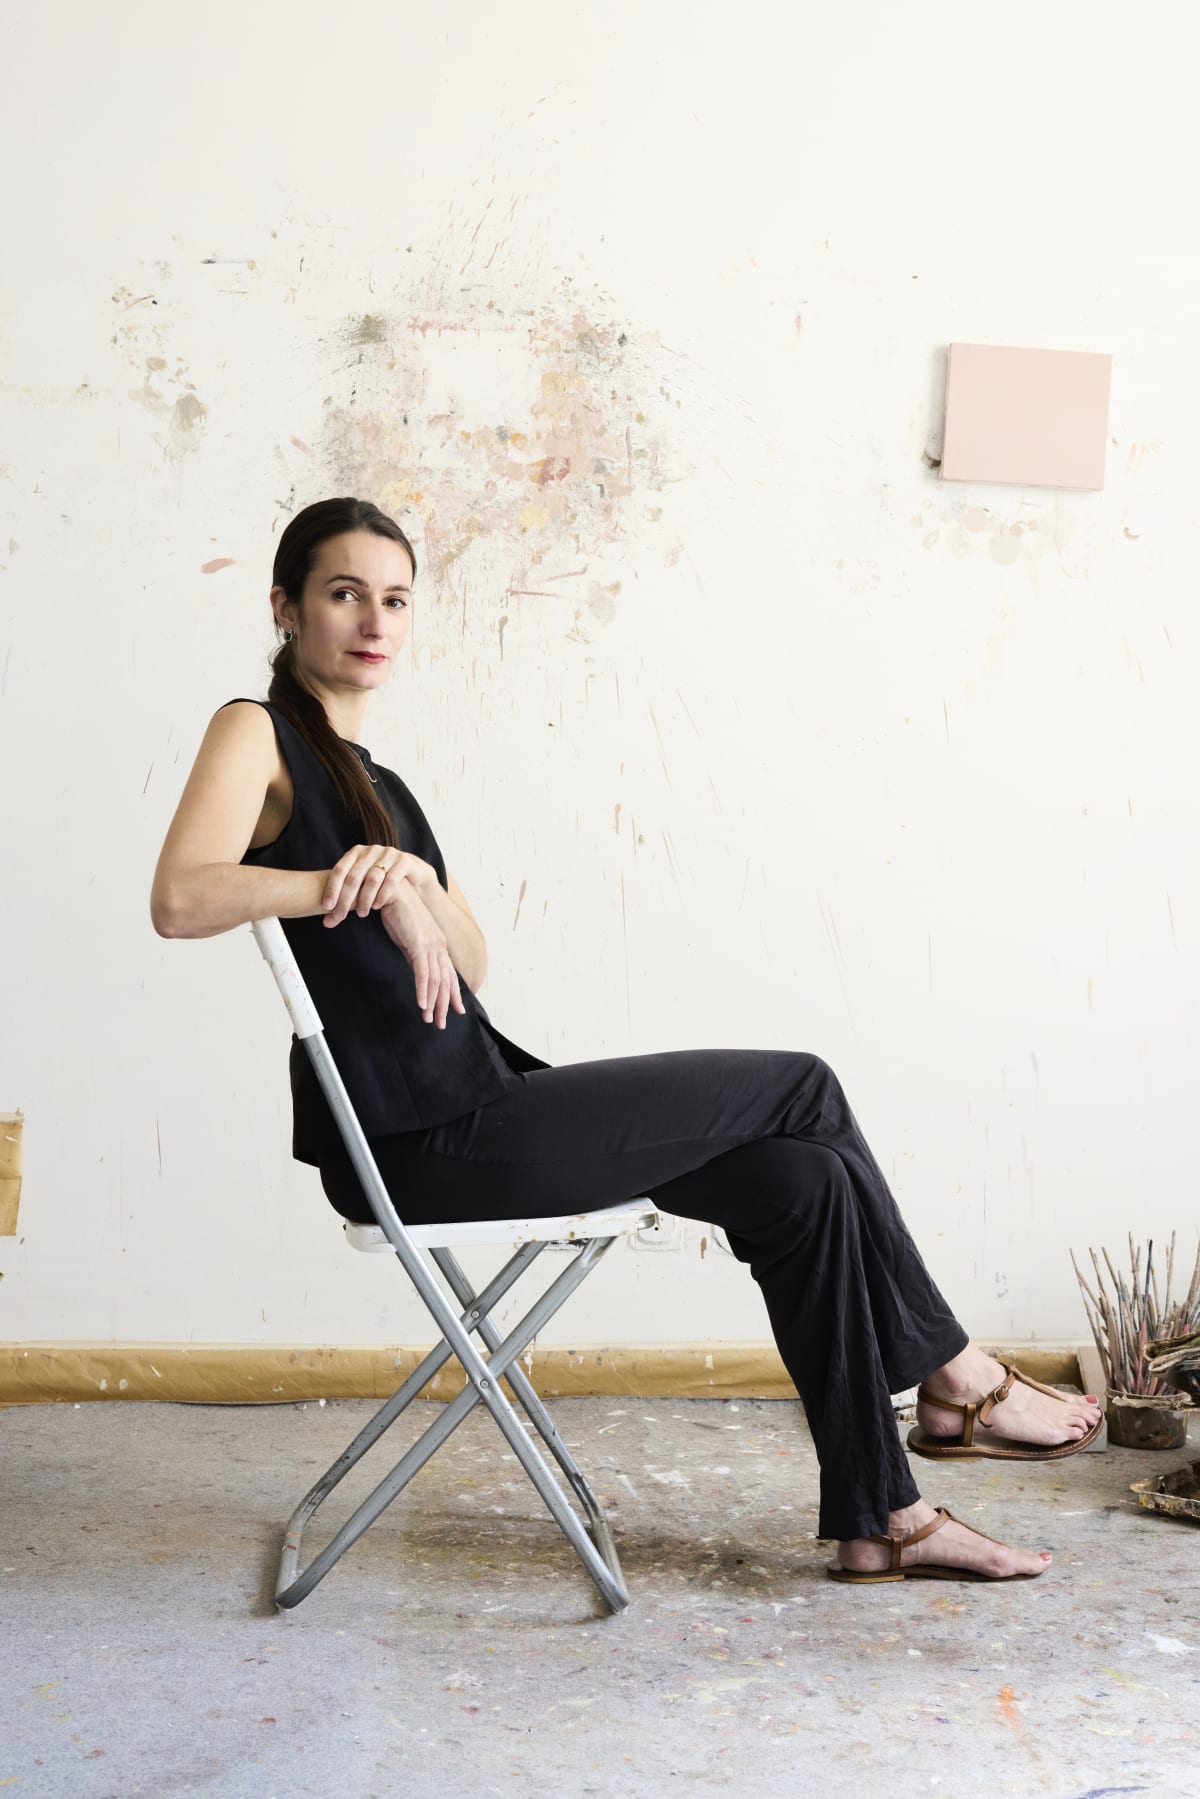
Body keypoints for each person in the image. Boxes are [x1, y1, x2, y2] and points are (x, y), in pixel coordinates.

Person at [151, 496, 1102, 1586]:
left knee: (803, 1182)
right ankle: (954, 1375)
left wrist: (406, 877)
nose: (374, 620)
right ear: (286, 606)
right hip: (420, 1135)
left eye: (396, 598)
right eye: (343, 592)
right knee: (804, 1084)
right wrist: (341, 879)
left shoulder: (386, 789)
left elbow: (470, 959)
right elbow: (180, 895)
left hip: (479, 1100)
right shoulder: (254, 728)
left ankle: (882, 1515)